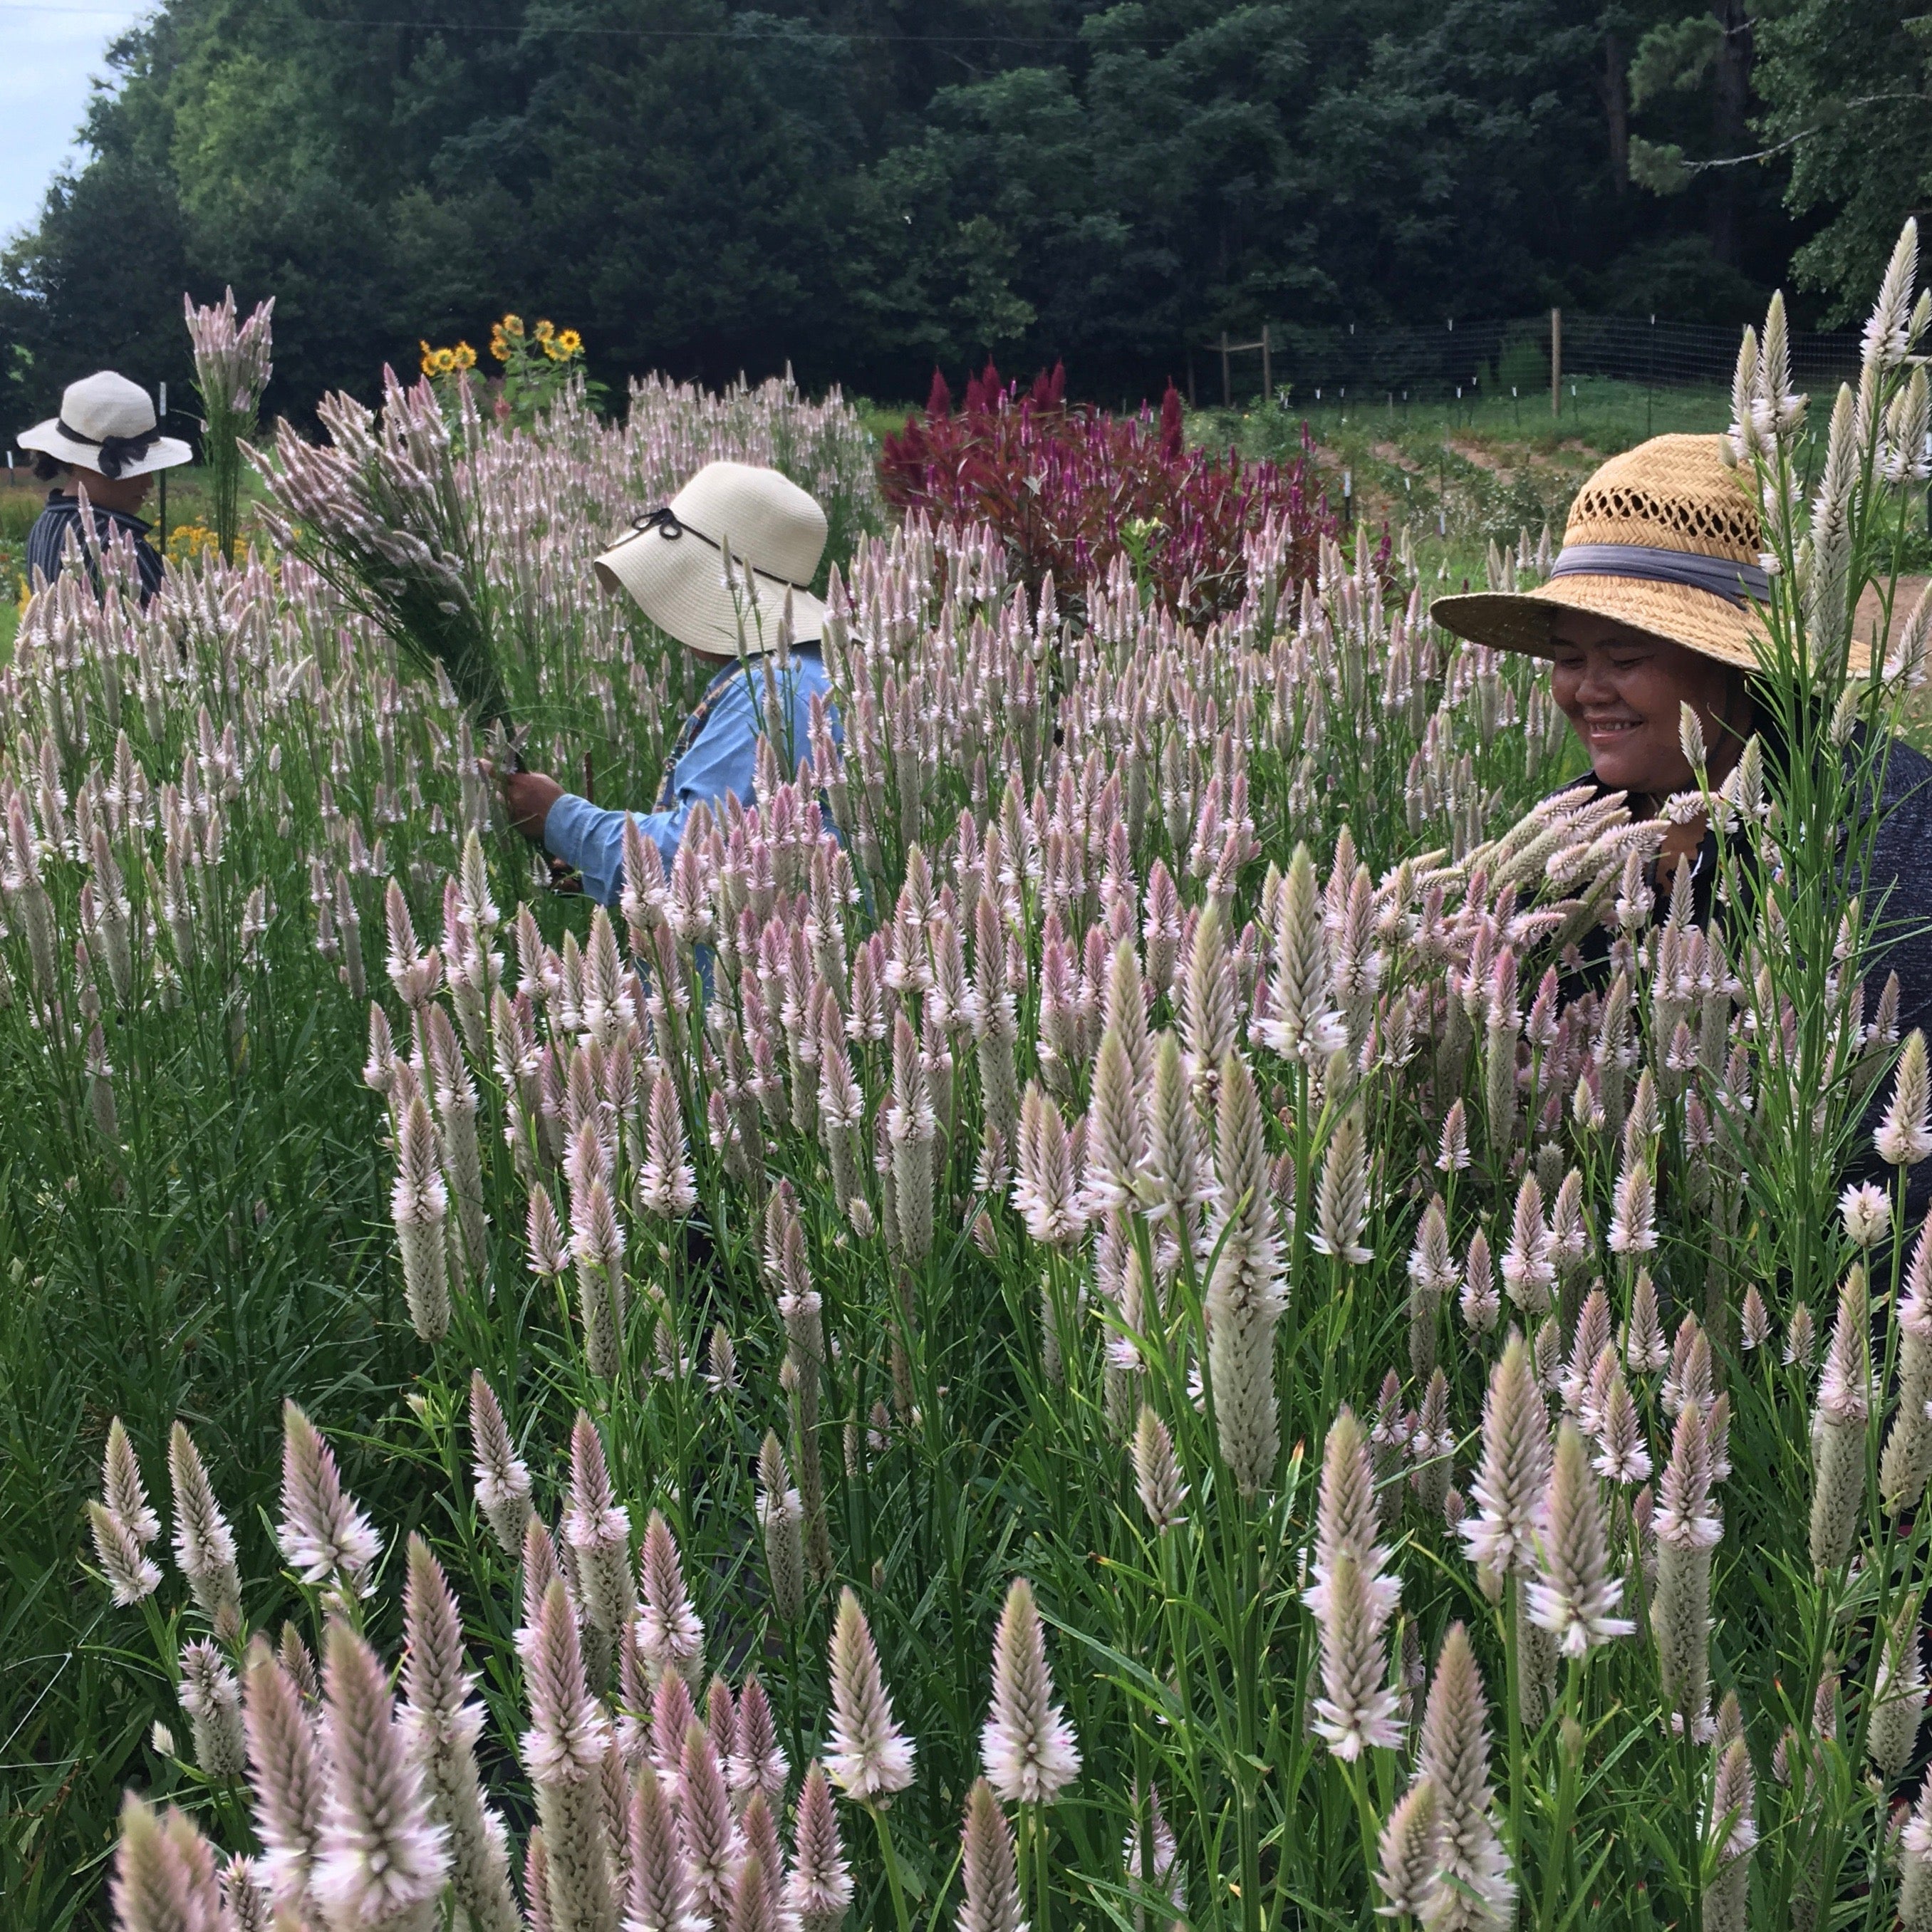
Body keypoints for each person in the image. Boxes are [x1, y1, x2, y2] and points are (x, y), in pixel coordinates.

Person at [1433, 431, 1932, 1193]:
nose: (1587, 690)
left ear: (1734, 658)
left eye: (1625, 657)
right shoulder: (1570, 832)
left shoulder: (1888, 827)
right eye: (1569, 658)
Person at [499, 460, 838, 903]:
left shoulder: (769, 692)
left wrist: (559, 820)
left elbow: (692, 857)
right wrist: (594, 865)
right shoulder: (816, 668)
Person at [16, 370, 192, 606]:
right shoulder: (123, 549)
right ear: (92, 466)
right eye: (137, 468)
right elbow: (174, 637)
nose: (148, 482)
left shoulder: (44, 526)